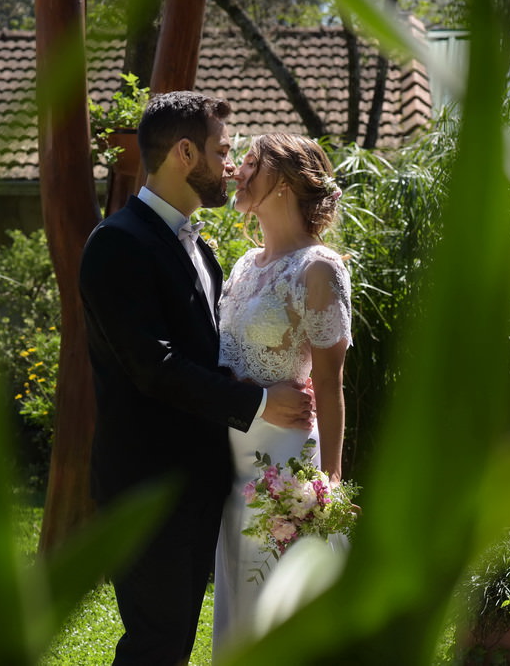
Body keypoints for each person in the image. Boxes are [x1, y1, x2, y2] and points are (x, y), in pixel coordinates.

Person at [78, 93, 314, 666]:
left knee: (174, 642)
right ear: (185, 153)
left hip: (201, 483)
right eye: (221, 150)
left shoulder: (200, 249)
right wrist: (259, 402)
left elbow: (207, 357)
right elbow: (153, 367)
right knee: (155, 646)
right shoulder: (118, 243)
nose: (232, 165)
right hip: (147, 487)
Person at [212, 133, 352, 653]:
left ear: (286, 183)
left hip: (284, 464)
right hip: (232, 462)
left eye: (251, 163)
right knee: (240, 600)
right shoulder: (246, 264)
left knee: (279, 601)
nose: (236, 172)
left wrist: (330, 482)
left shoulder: (319, 269)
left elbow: (331, 385)